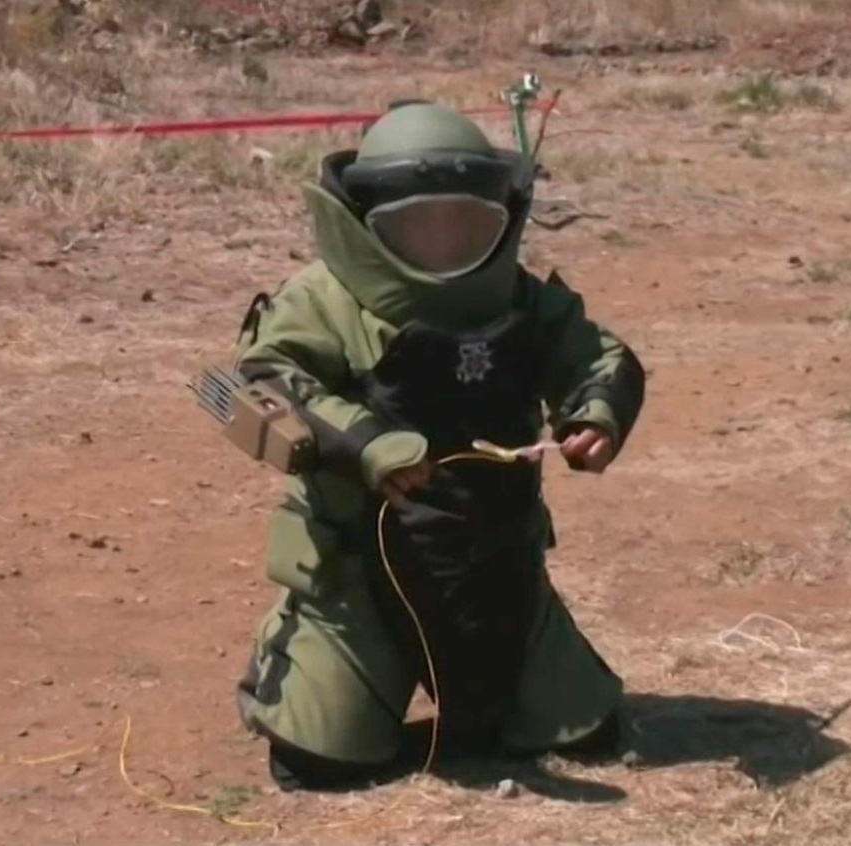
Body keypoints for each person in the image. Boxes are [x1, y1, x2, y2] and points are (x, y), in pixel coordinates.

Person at [227, 100, 646, 791]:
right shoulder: (323, 300)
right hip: (360, 572)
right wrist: (366, 446)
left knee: (584, 730)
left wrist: (596, 415)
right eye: (418, 226)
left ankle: (499, 691)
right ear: (365, 222)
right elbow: (268, 382)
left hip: (500, 566)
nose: (443, 241)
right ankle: (319, 681)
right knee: (324, 760)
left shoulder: (521, 298)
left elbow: (600, 357)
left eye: (464, 224)